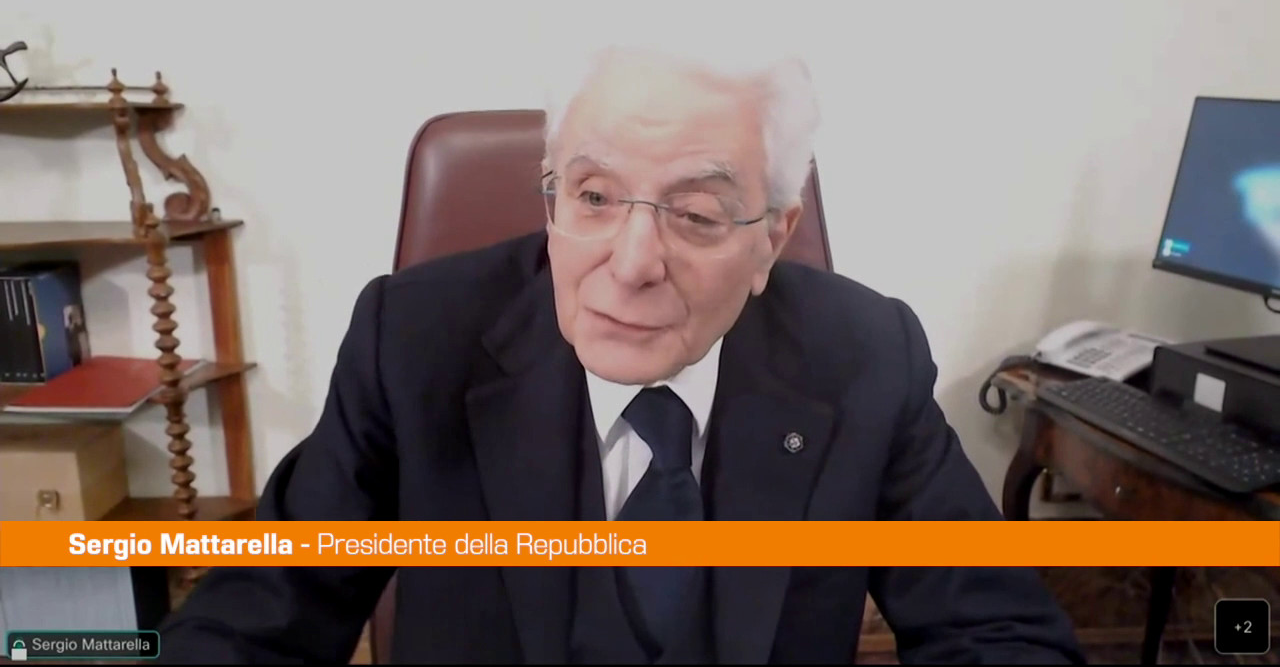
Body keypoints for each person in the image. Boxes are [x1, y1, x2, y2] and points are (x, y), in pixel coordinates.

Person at [157, 43, 1084, 664]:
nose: (632, 264)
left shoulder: (865, 358)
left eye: (697, 213)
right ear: (550, 195)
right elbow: (258, 615)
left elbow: (995, 629)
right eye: (594, 197)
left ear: (773, 236)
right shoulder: (415, 342)